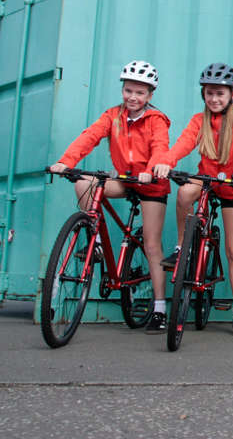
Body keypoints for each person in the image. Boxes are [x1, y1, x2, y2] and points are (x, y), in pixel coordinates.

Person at [49, 60, 171, 334]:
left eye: (140, 93)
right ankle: (96, 241)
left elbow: (160, 148)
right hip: (125, 179)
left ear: (150, 96)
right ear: (123, 90)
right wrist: (65, 162)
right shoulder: (112, 116)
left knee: (151, 245)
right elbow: (89, 136)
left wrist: (151, 171)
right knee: (83, 182)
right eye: (128, 90)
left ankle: (160, 308)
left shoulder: (156, 120)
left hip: (151, 184)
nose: (133, 97)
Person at [151, 63, 233, 337]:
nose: (214, 99)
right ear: (204, 94)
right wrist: (164, 162)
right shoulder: (198, 120)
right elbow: (182, 145)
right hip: (208, 180)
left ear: (232, 94)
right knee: (185, 191)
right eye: (210, 93)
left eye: (220, 94)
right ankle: (181, 247)